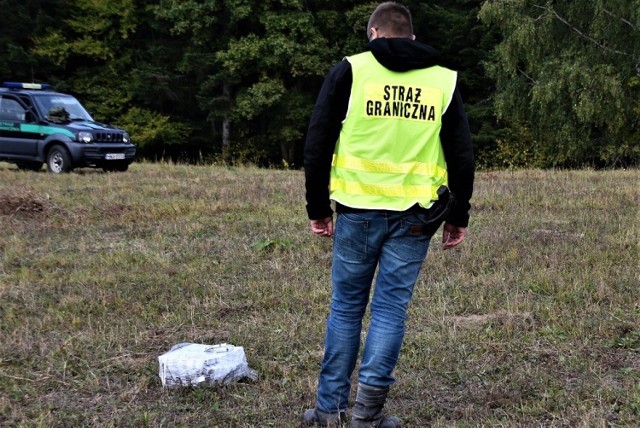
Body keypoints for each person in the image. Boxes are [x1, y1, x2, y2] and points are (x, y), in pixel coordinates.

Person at [302, 2, 475, 426]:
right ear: (411, 37)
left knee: (346, 307)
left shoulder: (351, 70)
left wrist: (317, 207)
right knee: (390, 309)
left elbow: (318, 140)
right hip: (417, 215)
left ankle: (331, 411)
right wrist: (460, 215)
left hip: (357, 210)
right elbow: (462, 155)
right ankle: (366, 416)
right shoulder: (442, 80)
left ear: (374, 34)